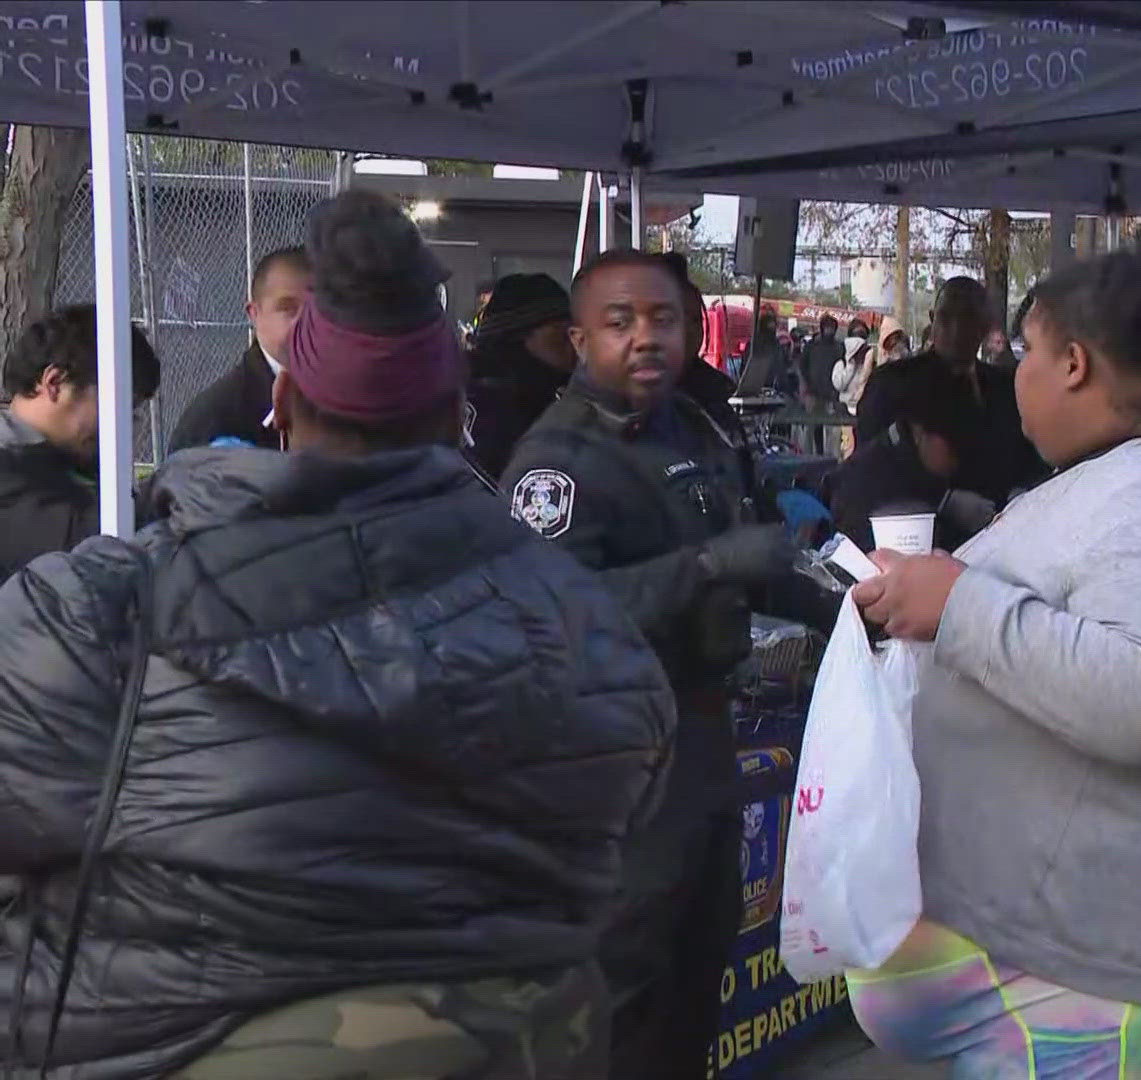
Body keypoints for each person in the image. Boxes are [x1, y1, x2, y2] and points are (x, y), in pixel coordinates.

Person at [0, 190, 673, 1079]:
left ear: (283, 399)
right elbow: (627, 810)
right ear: (452, 413)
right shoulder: (592, 634)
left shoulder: (96, 613)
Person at [843, 242, 1141, 1079]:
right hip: (1041, 939)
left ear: (1073, 363)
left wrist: (961, 607)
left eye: (1024, 352)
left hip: (1084, 960)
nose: (1013, 373)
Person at [501, 249, 798, 1075]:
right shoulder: (558, 462)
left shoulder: (690, 427)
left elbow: (754, 553)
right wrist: (702, 570)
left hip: (700, 734)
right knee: (624, 989)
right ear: (578, 337)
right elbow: (547, 620)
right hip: (615, 763)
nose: (645, 339)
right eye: (619, 322)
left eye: (663, 319)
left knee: (698, 970)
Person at [0, 305, 161, 580]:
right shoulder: (9, 471)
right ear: (55, 382)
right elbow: (82, 548)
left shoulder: (67, 458)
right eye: (119, 406)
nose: (125, 425)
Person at [856, 277, 1046, 508]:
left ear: (985, 326)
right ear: (933, 319)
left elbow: (1030, 454)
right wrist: (942, 499)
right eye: (946, 317)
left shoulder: (1005, 387)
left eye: (967, 318)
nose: (956, 330)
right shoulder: (892, 383)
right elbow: (867, 465)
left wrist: (1023, 492)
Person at [830, 372, 997, 553]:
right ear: (920, 431)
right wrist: (944, 501)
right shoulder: (870, 483)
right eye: (955, 442)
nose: (962, 454)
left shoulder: (912, 464)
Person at [168, 246, 311, 452]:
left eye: (319, 308)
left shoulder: (351, 392)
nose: (306, 321)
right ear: (254, 314)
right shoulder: (218, 420)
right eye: (287, 308)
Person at [464, 272, 575, 479]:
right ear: (520, 334)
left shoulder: (547, 396)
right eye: (560, 333)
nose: (572, 343)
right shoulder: (495, 406)